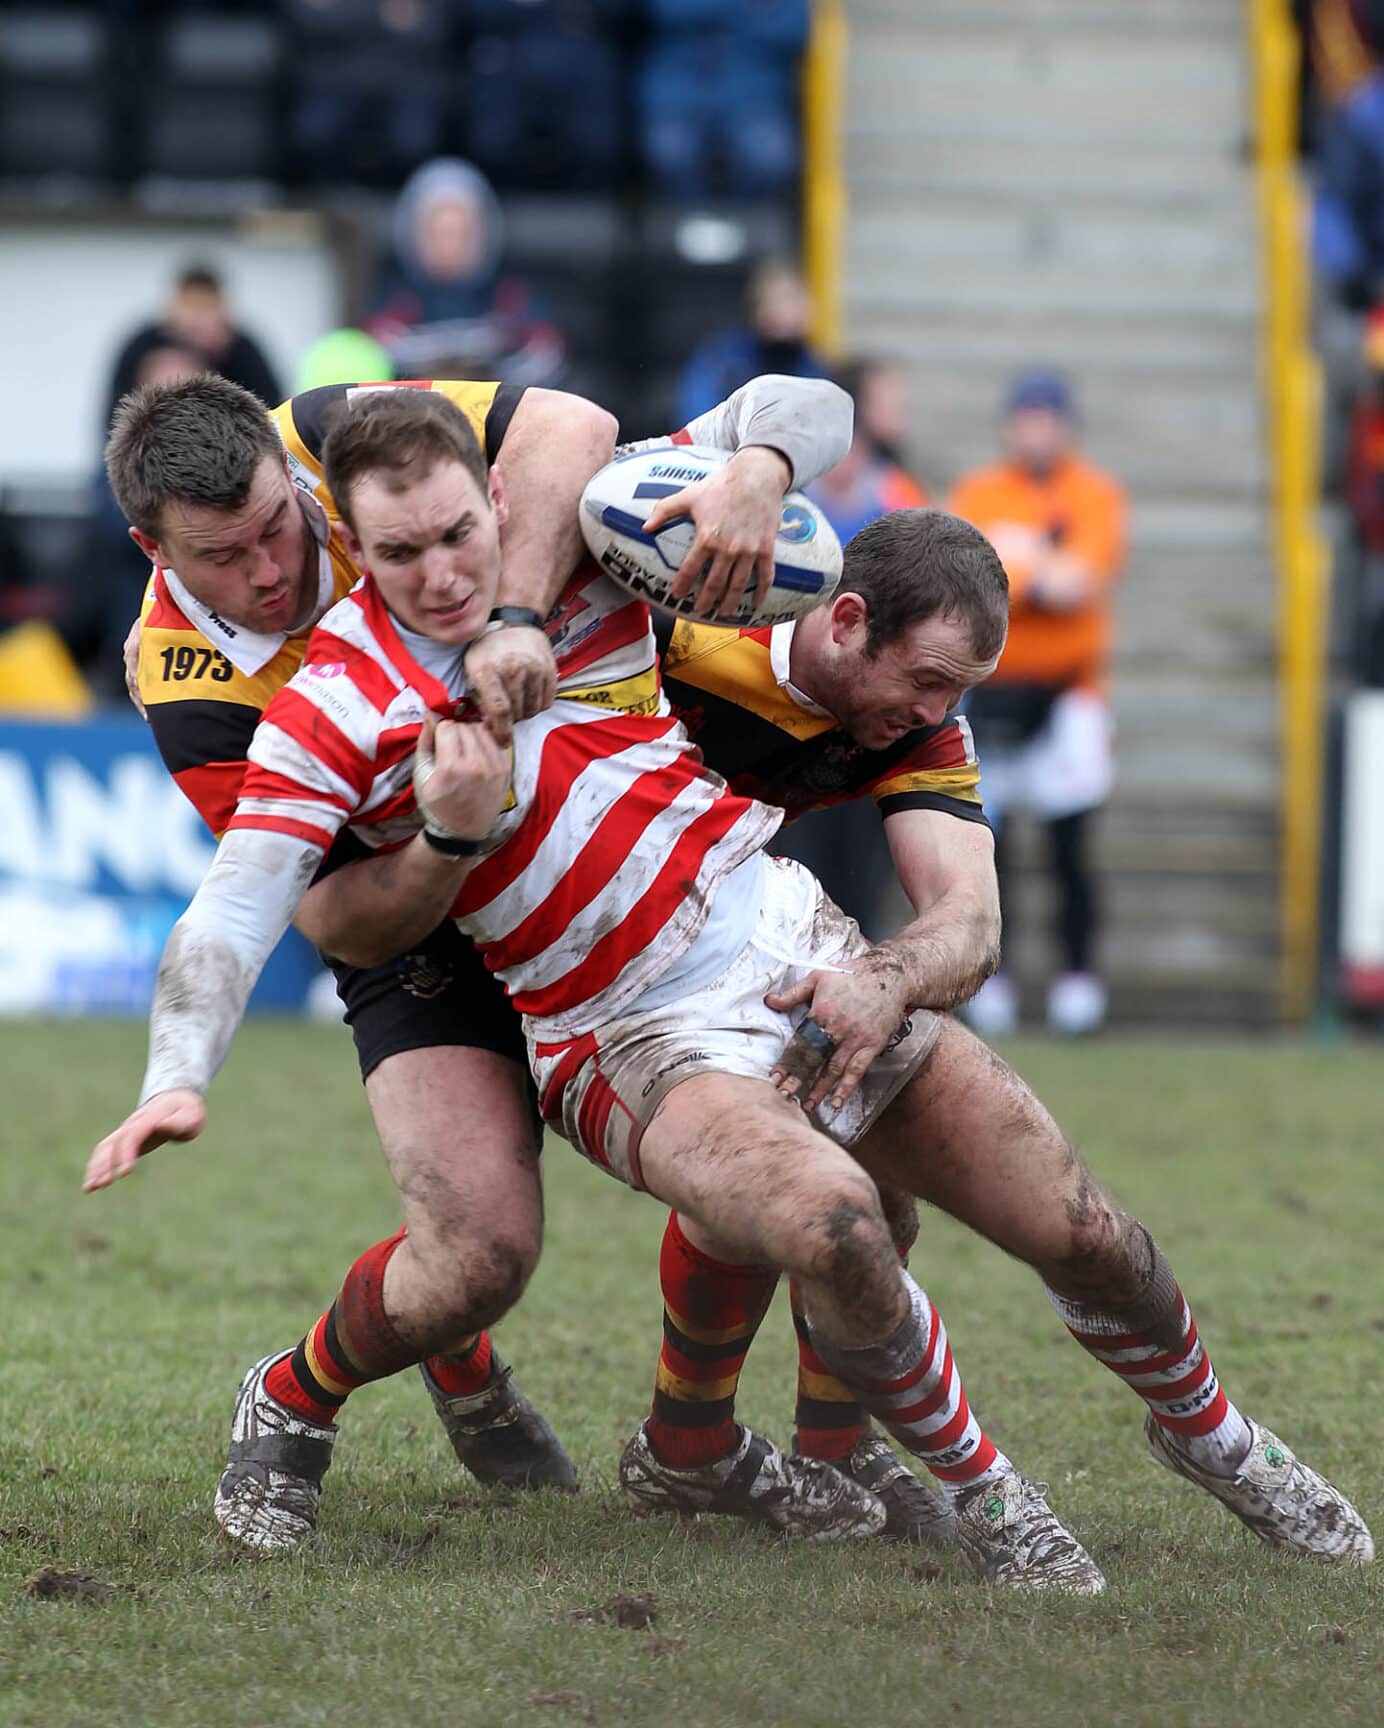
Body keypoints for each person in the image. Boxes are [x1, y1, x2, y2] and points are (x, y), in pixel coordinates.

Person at [90, 394, 1374, 1584]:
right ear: (349, 548)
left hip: (773, 928)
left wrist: (755, 469)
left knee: (1076, 1228)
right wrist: (179, 1074)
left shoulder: (590, 553)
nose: (440, 575)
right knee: (523, 1247)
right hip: (534, 977)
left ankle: (1186, 1436)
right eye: (402, 554)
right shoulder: (300, 710)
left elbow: (635, 420)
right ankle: (970, 1493)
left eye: (459, 536)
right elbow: (270, 909)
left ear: (488, 505)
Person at [98, 369, 852, 1551]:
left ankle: (714, 1444)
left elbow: (571, 428)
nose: (273, 573)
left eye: (279, 529)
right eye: (225, 558)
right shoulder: (185, 684)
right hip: (413, 905)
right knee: (479, 1251)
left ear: (294, 478)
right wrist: (449, 838)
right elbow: (326, 914)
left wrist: (512, 620)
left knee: (762, 1131)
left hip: (572, 836)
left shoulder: (331, 434)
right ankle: (298, 1393)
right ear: (152, 548)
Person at [948, 370, 1128, 1036]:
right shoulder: (981, 490)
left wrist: (1015, 571)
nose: (1036, 431)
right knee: (991, 846)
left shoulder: (1094, 493)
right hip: (991, 690)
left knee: (1068, 844)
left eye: (1047, 418)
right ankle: (992, 980)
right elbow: (967, 583)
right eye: (1026, 418)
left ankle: (1078, 980)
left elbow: (1081, 580)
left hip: (1069, 694)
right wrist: (1034, 571)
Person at [103, 265, 281, 433]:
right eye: (192, 306)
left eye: (206, 306)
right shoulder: (142, 345)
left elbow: (270, 410)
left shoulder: (242, 349)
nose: (198, 317)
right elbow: (115, 414)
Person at [678, 258, 829, 427]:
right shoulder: (721, 361)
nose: (790, 312)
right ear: (758, 309)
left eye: (796, 302)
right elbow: (697, 425)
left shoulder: (814, 369)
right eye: (781, 300)